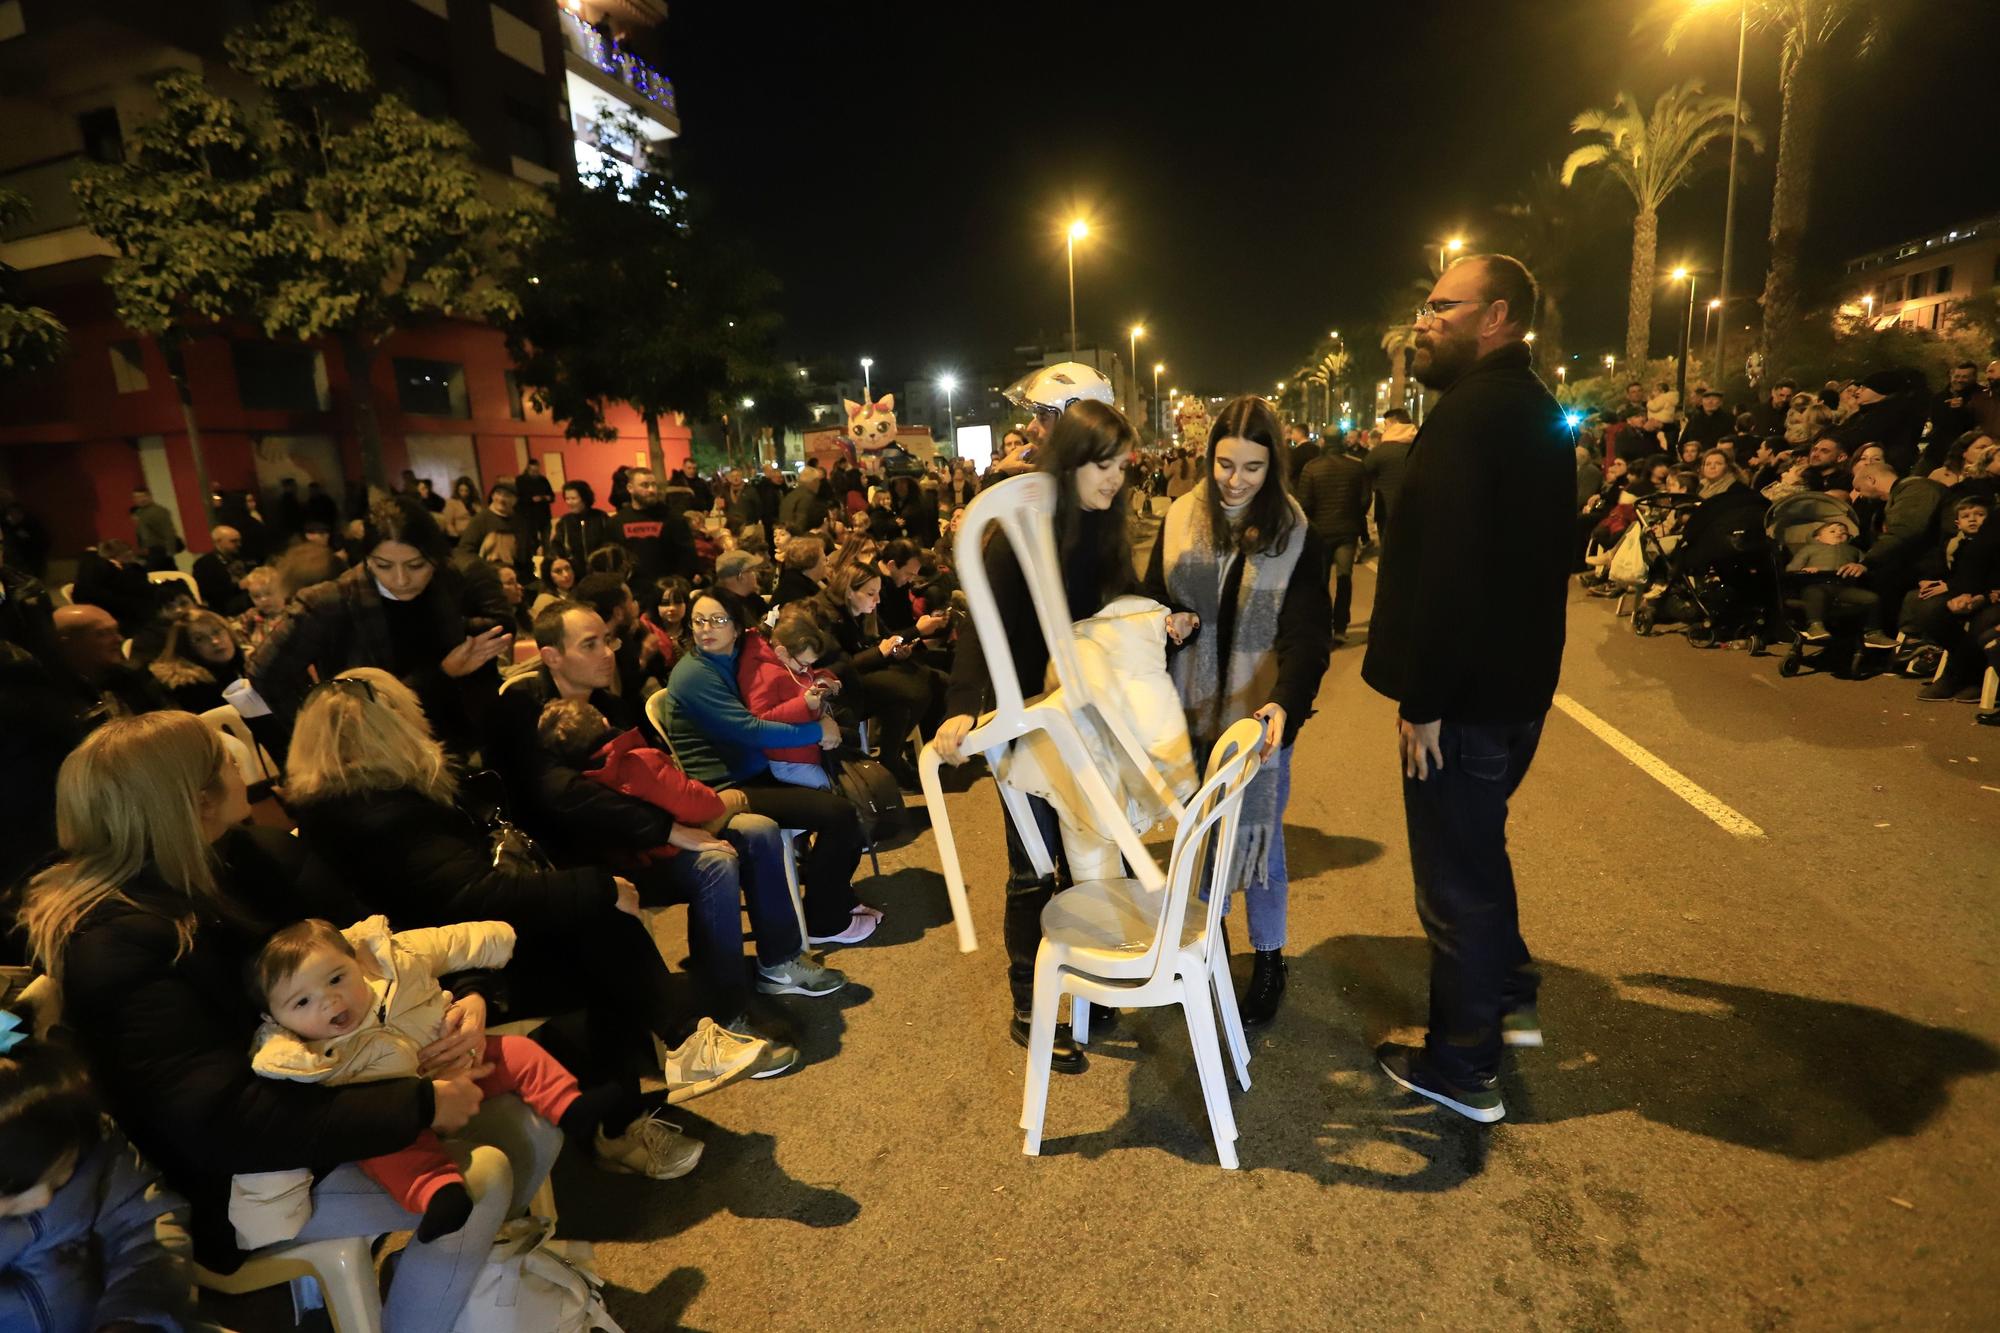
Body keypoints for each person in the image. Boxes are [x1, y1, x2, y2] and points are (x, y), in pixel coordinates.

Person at [22, 713, 556, 1324]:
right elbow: (215, 1120)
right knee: (482, 1177)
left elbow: (379, 944)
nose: (238, 760)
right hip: (254, 1172)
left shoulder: (250, 854)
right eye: (222, 759)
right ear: (195, 803)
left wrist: (467, 994)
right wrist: (418, 1106)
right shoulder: (116, 943)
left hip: (347, 1076)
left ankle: (436, 1289)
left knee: (534, 1114)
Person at [286, 669, 792, 1098]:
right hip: (442, 971)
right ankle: (672, 1057)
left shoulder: (353, 805)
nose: (420, 721)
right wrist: (598, 885)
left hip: (448, 949)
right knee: (600, 916)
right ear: (384, 728)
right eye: (406, 711)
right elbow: (472, 897)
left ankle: (664, 1068)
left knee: (598, 918)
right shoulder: (382, 814)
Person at [1361, 253, 1574, 1124]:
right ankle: (1509, 1001)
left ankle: (1462, 1064)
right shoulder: (1526, 409)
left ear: (1496, 316)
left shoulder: (1473, 418)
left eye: (1442, 306)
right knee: (1481, 856)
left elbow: (1450, 572)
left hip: (1468, 699)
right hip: (1512, 690)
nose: (1424, 319)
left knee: (1455, 883)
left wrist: (1426, 699)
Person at [249, 915, 698, 1234]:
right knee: (388, 1151)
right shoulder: (293, 1046)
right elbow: (272, 1067)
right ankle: (438, 1192)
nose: (329, 1002)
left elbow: (447, 941)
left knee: (518, 1052)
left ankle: (570, 1106)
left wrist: (494, 939)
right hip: (391, 1112)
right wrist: (282, 1059)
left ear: (356, 962)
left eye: (335, 979)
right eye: (301, 1003)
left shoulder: (390, 962)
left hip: (458, 1065)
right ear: (280, 1018)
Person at [933, 399, 1144, 1072]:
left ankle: (1086, 981)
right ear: (1073, 459)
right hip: (1020, 720)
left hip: (1086, 720)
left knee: (1091, 854)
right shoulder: (1021, 525)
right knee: (1033, 867)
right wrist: (964, 705)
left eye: (1122, 466)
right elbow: (978, 619)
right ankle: (1030, 1006)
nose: (1115, 479)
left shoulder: (1108, 528)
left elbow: (1123, 608)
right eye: (1104, 466)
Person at [1144, 395, 1332, 1027]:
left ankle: (1271, 958)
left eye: (1252, 467)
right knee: (1197, 837)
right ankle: (1208, 947)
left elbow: (1307, 634)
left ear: (1272, 464)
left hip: (1259, 722)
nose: (1235, 480)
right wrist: (1163, 619)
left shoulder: (1295, 531)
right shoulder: (1178, 517)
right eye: (1225, 464)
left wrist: (1286, 703)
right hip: (1186, 712)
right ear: (1209, 455)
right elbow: (1147, 596)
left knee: (1257, 839)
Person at [533, 692, 846, 1002]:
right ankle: (724, 1001)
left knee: (759, 829)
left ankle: (779, 963)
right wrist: (707, 805)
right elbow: (695, 804)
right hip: (643, 858)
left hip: (653, 842)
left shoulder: (587, 762)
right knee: (718, 861)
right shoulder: (629, 764)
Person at [660, 589, 877, 946]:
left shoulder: (739, 650)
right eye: (698, 621)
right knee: (841, 814)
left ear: (736, 627)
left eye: (717, 620)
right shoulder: (693, 675)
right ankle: (824, 920)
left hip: (758, 769)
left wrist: (817, 684)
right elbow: (750, 731)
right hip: (728, 783)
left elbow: (776, 651)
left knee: (849, 793)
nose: (705, 629)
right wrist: (817, 729)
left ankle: (835, 898)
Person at [249, 495, 511, 753]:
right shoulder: (330, 602)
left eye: (416, 565)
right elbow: (265, 673)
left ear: (436, 557)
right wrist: (325, 732)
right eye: (383, 565)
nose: (401, 579)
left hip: (453, 736)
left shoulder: (448, 581)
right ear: (366, 559)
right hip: (378, 750)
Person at [0, 1037, 216, 1333]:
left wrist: (133, 1318)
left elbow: (145, 1223)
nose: (43, 1198)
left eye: (63, 1172)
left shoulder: (77, 1127)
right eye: (12, 1192)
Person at [1837, 461, 1949, 647]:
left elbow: (1906, 531)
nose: (1859, 494)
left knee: (1876, 580)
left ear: (1871, 479)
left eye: (1858, 488)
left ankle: (1876, 635)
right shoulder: (1900, 497)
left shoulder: (1917, 490)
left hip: (1934, 564)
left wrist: (1868, 562)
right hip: (1921, 561)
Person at [741, 602, 843, 789]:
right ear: (781, 652)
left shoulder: (789, 663)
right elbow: (761, 719)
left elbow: (806, 675)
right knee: (830, 788)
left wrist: (822, 678)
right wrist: (804, 705)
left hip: (804, 753)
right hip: (789, 762)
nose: (806, 668)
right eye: (804, 663)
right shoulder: (764, 674)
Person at [1294, 428, 1373, 644]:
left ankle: (1322, 624)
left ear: (1322, 442)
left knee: (1321, 581)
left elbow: (1304, 504)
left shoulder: (1311, 468)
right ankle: (1340, 626)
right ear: (1343, 441)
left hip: (1320, 533)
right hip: (1347, 531)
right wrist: (1353, 515)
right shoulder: (1357, 467)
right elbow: (1365, 499)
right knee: (1344, 578)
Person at [146, 608, 247, 714]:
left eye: (217, 631)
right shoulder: (191, 688)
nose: (215, 641)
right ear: (187, 649)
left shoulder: (237, 663)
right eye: (199, 639)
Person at [613, 466, 697, 588]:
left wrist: (678, 583)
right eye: (645, 485)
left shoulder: (673, 518)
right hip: (633, 591)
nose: (652, 490)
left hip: (667, 590)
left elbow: (688, 555)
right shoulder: (617, 523)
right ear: (630, 488)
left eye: (654, 485)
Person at [71, 539, 156, 634]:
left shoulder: (88, 571)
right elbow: (138, 601)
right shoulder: (118, 575)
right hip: (121, 622)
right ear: (124, 556)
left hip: (90, 616)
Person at [1364, 408, 1417, 548]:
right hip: (1417, 506)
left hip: (1388, 508)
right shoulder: (1422, 446)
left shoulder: (1382, 450)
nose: (1384, 429)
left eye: (1386, 425)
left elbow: (1364, 471)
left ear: (1394, 424)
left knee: (1390, 548)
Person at [454, 481, 523, 572]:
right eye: (498, 493)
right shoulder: (481, 519)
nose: (501, 499)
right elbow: (465, 552)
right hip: (489, 574)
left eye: (507, 495)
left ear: (515, 500)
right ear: (492, 496)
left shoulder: (519, 521)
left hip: (516, 574)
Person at [549, 479, 614, 571]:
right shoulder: (564, 522)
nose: (569, 502)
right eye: (567, 499)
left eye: (573, 498)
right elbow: (557, 547)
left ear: (584, 498)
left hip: (600, 572)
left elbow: (611, 544)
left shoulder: (601, 517)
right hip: (574, 574)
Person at [192, 524, 251, 615]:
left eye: (239, 541)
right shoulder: (204, 564)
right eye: (233, 541)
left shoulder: (242, 557)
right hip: (223, 609)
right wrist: (238, 586)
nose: (239, 544)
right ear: (218, 542)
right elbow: (208, 593)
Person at [129, 487, 179, 572]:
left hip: (160, 548)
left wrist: (170, 551)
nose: (140, 499)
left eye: (142, 496)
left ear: (149, 496)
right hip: (151, 550)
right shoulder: (140, 513)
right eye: (137, 497)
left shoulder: (158, 511)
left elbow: (168, 532)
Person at [514, 458, 555, 560]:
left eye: (537, 471)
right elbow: (517, 499)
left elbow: (552, 495)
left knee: (547, 542)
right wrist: (531, 499)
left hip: (544, 515)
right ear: (528, 469)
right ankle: (533, 561)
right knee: (531, 542)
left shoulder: (543, 480)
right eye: (533, 471)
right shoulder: (520, 481)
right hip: (528, 517)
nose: (535, 473)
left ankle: (548, 561)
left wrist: (547, 498)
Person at [778, 467, 830, 537]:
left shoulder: (790, 496)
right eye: (818, 481)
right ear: (814, 481)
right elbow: (801, 523)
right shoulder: (808, 498)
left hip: (785, 537)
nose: (819, 484)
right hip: (801, 541)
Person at [529, 553, 578, 619]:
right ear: (549, 576)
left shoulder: (577, 592)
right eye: (558, 571)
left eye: (567, 568)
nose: (566, 575)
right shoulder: (545, 600)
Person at [440, 475, 481, 540]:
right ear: (457, 490)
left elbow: (481, 518)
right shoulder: (452, 502)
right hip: (461, 535)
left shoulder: (475, 502)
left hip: (477, 533)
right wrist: (455, 535)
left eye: (466, 490)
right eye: (461, 490)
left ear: (470, 491)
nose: (463, 493)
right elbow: (449, 523)